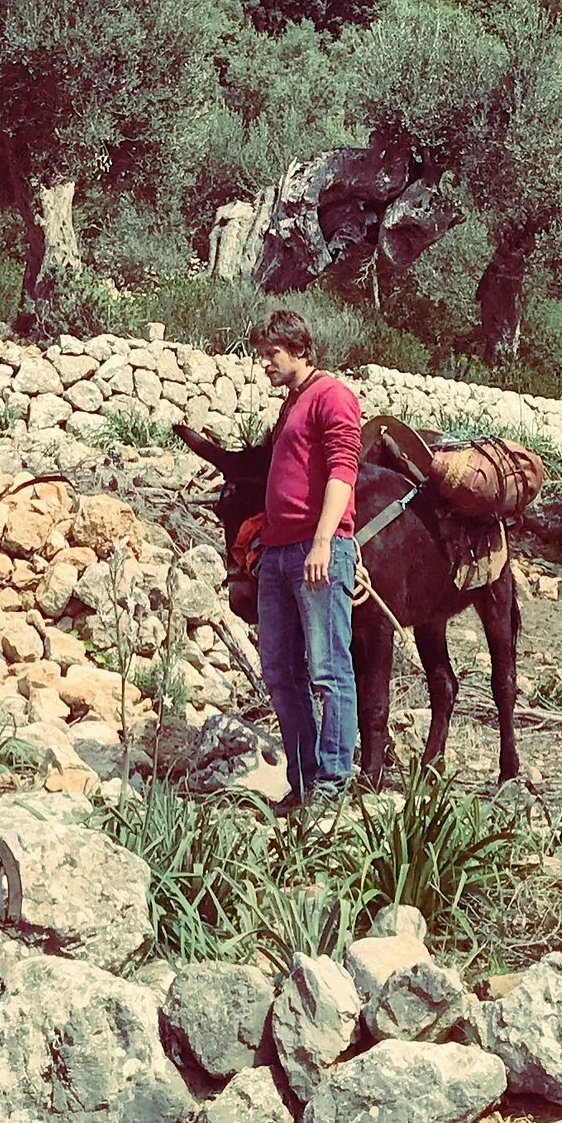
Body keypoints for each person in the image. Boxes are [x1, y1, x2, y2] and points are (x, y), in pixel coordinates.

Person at [250, 308, 360, 805]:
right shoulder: (292, 402)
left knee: (328, 671)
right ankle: (304, 779)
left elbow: (343, 470)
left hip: (317, 551)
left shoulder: (332, 395)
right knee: (279, 670)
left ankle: (332, 786)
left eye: (271, 354)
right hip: (277, 554)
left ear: (298, 349)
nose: (265, 365)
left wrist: (323, 540)